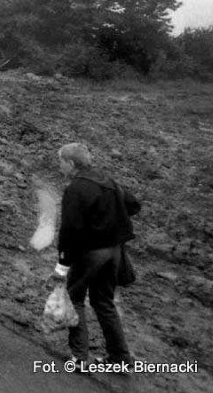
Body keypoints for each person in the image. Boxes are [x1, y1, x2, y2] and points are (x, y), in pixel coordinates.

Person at [53, 142, 140, 370]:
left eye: (60, 161)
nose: (59, 166)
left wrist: (63, 262)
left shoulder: (76, 189)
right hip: (114, 252)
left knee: (75, 299)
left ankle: (80, 358)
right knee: (104, 302)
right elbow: (133, 204)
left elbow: (70, 229)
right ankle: (121, 359)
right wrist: (109, 218)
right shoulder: (107, 181)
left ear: (71, 164)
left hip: (90, 253)